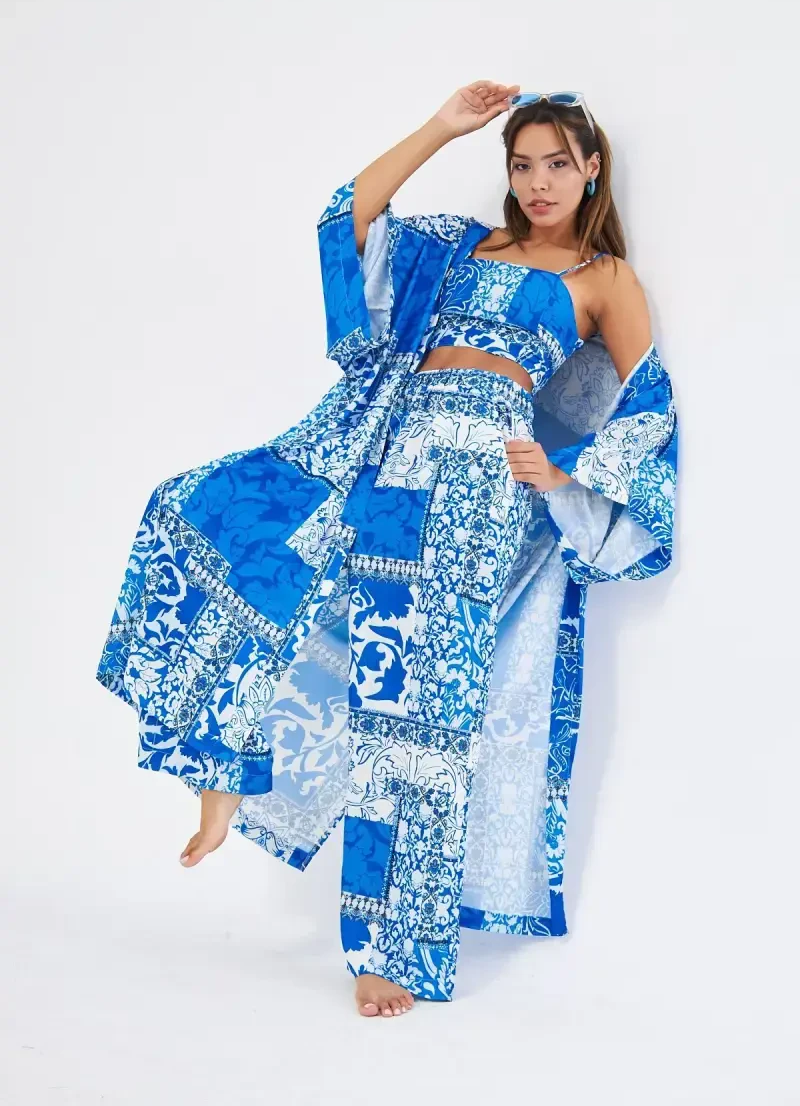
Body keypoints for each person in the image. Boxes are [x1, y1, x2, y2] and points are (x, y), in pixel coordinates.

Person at [96, 82, 678, 1020]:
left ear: (591, 168)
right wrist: (442, 128)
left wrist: (561, 474)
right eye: (521, 165)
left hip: (481, 494)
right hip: (388, 452)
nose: (537, 182)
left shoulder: (605, 278)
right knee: (249, 556)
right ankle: (224, 769)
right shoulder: (458, 245)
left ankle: (389, 947)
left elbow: (646, 409)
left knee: (420, 720)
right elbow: (350, 219)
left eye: (556, 164)